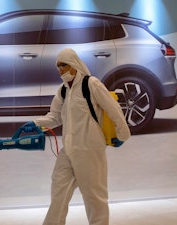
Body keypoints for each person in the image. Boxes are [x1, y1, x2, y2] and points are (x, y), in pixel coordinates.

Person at [23, 48, 130, 225]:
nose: (60, 70)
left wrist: (122, 134)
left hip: (90, 150)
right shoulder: (63, 90)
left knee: (94, 198)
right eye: (58, 67)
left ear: (74, 64)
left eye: (63, 66)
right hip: (69, 151)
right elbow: (55, 116)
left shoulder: (91, 84)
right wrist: (35, 124)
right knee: (58, 193)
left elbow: (114, 110)